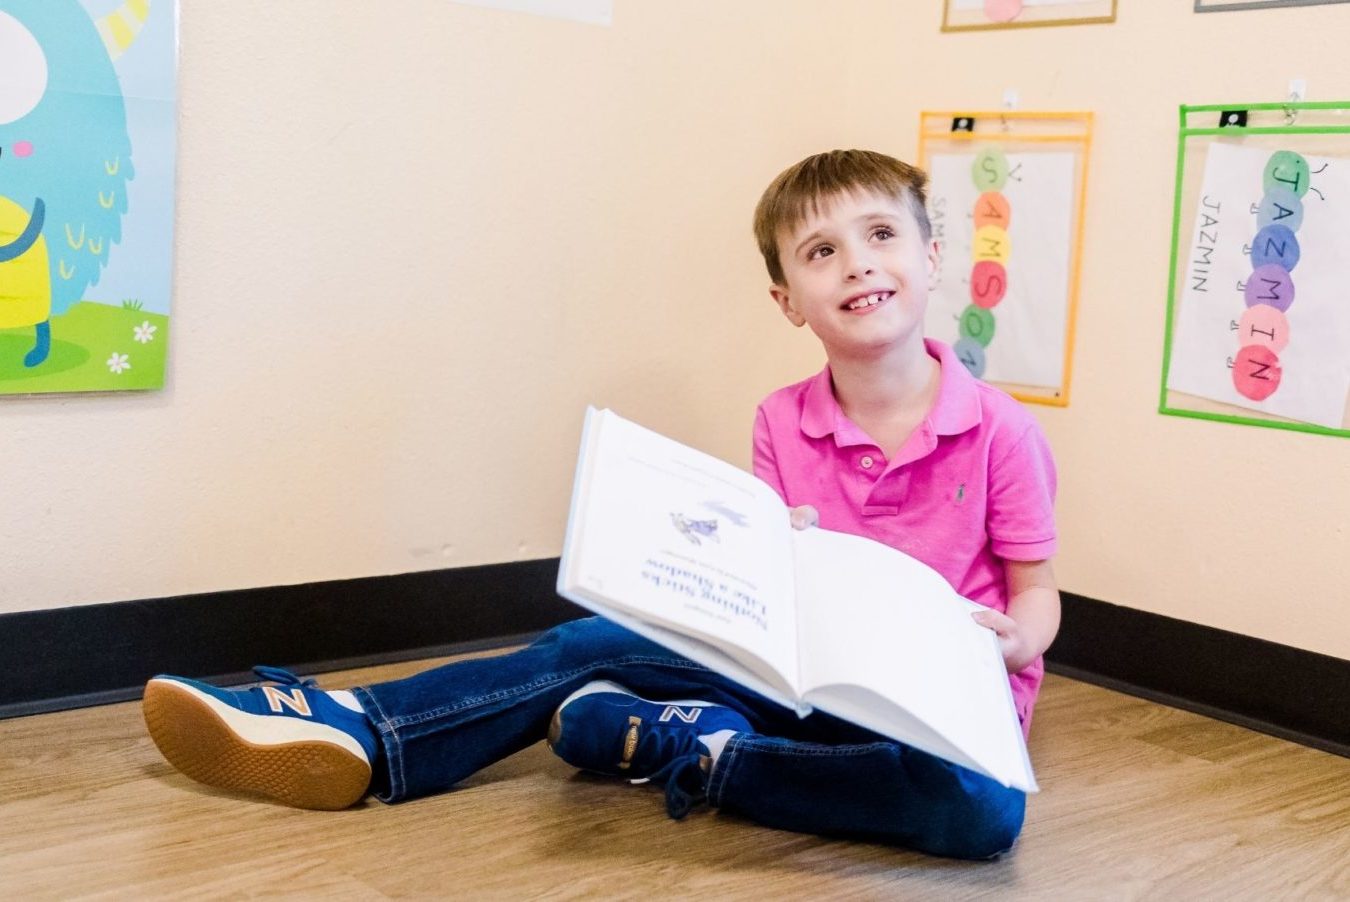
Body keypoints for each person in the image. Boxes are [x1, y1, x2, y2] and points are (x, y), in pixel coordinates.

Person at [142, 149, 1059, 860]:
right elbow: (774, 585)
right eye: (823, 252)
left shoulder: (999, 431)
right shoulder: (783, 420)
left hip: (938, 712)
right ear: (788, 300)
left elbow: (1036, 594)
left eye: (881, 237)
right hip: (802, 685)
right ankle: (365, 727)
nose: (858, 266)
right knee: (595, 643)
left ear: (932, 257)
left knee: (983, 815)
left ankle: (701, 754)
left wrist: (1020, 638)